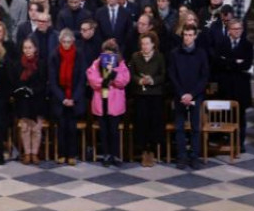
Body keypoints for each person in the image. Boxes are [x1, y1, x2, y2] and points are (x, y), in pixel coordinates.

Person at [168, 25, 209, 170]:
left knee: (195, 128)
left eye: (190, 35)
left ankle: (194, 157)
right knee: (179, 127)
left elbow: (204, 77)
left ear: (195, 36)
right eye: (185, 35)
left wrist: (192, 94)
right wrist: (182, 94)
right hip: (180, 95)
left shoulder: (201, 53)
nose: (187, 37)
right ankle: (182, 157)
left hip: (195, 95)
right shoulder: (174, 53)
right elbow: (172, 75)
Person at [86, 39, 130, 167]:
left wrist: (114, 75)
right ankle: (106, 154)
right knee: (104, 130)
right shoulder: (96, 63)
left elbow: (125, 80)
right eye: (106, 53)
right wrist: (103, 82)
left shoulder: (121, 64)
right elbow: (91, 78)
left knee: (114, 130)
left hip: (115, 102)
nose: (108, 56)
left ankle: (115, 155)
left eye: (111, 54)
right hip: (101, 100)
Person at [212, 19, 253, 152]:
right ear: (229, 30)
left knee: (241, 117)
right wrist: (236, 62)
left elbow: (247, 64)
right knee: (225, 115)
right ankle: (226, 140)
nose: (237, 31)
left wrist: (228, 62)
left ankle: (240, 144)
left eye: (239, 29)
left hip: (241, 87)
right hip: (226, 86)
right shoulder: (221, 43)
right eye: (234, 29)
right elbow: (217, 62)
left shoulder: (248, 45)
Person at [48, 29, 87, 166]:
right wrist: (63, 98)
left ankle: (72, 155)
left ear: (73, 42)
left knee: (72, 127)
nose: (66, 44)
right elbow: (52, 80)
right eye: (64, 42)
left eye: (69, 42)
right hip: (60, 98)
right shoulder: (54, 55)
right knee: (62, 127)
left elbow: (82, 78)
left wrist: (73, 98)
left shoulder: (79, 54)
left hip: (75, 96)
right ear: (60, 42)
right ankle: (61, 154)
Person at [129, 31, 166, 167]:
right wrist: (140, 80)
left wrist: (152, 80)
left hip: (155, 95)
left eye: (147, 44)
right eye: (142, 44)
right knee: (141, 122)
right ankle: (143, 150)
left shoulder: (159, 57)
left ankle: (152, 150)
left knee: (154, 123)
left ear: (153, 45)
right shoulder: (135, 57)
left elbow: (163, 75)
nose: (144, 46)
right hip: (140, 95)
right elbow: (131, 74)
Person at [14, 38, 47, 164]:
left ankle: (35, 153)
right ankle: (27, 153)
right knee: (25, 128)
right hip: (23, 100)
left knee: (36, 129)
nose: (27, 50)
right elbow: (16, 81)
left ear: (35, 49)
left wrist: (32, 91)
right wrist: (23, 90)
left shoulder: (41, 63)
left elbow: (43, 82)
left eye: (30, 47)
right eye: (25, 48)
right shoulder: (18, 64)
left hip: (37, 100)